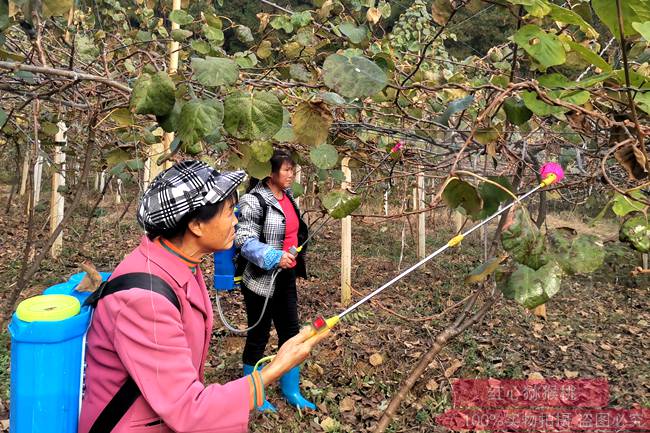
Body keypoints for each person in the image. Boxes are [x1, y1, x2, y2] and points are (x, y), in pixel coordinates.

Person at [78, 160, 329, 433]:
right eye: (230, 211)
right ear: (196, 225)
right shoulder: (145, 301)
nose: (236, 220)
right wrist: (276, 368)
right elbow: (189, 410)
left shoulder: (181, 262)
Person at [235, 149, 314, 412]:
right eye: (287, 170)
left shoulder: (288, 197)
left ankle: (291, 389)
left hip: (285, 278)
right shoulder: (253, 201)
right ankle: (253, 395)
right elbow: (244, 240)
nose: (292, 174)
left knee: (291, 333)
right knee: (258, 335)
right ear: (270, 172)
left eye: (293, 169)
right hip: (260, 280)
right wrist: (273, 256)